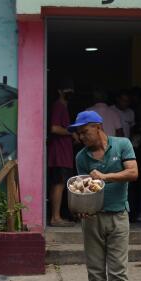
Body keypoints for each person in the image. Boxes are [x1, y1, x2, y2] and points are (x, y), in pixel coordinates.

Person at [69, 110, 138, 281]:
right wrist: (81, 207)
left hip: (118, 216)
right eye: (79, 134)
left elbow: (133, 173)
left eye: (84, 132)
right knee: (96, 271)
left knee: (118, 270)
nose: (81, 137)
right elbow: (84, 188)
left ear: (98, 127)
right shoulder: (81, 157)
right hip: (93, 219)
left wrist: (105, 177)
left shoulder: (121, 145)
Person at [47, 80, 77, 227]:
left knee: (57, 184)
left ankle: (55, 216)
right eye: (67, 90)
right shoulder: (59, 106)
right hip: (59, 153)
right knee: (59, 184)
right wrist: (71, 133)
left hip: (61, 153)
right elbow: (54, 128)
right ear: (59, 91)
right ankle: (56, 217)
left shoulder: (63, 107)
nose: (70, 92)